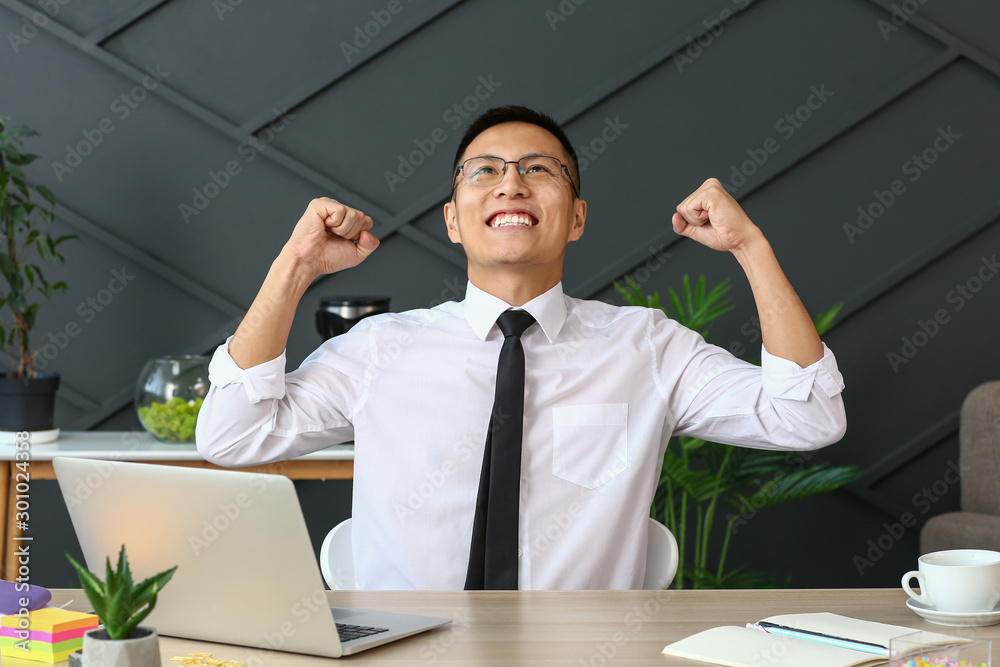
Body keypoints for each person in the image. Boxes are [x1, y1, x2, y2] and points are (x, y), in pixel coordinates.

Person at [196, 105, 846, 590]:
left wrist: (749, 247)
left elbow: (809, 416)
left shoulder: (645, 345)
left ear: (578, 216)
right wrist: (297, 265)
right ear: (453, 219)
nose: (510, 184)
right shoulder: (378, 350)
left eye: (539, 170)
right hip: (406, 653)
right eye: (484, 171)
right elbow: (229, 435)